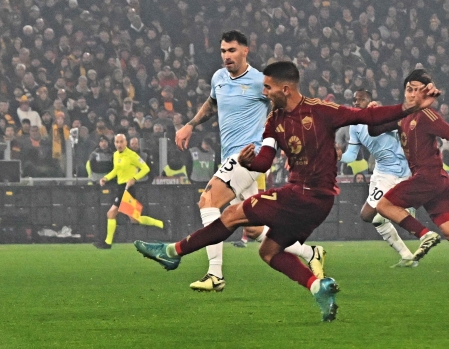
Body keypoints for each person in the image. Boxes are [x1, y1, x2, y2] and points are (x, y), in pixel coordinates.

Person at [135, 62, 440, 322]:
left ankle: (173, 252)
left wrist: (412, 106)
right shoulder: (274, 122)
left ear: (285, 89)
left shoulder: (322, 111)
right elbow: (265, 161)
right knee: (268, 252)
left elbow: (368, 117)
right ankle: (316, 287)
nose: (263, 92)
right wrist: (250, 160)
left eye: (267, 88)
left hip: (309, 195)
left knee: (231, 214)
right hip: (307, 200)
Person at [174, 30, 325, 292]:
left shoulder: (260, 82)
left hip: (248, 156)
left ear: (246, 51)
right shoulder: (219, 78)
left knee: (208, 201)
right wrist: (190, 125)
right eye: (223, 51)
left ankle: (214, 274)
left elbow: (288, 111)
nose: (226, 56)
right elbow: (212, 104)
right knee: (254, 230)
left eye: (232, 50)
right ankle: (311, 253)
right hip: (228, 158)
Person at [371, 69, 449, 263]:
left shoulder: (426, 114)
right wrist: (372, 114)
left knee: (384, 205)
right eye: (409, 89)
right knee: (447, 226)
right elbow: (374, 130)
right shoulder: (403, 115)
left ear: (424, 93)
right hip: (433, 181)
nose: (412, 94)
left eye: (417, 90)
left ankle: (424, 234)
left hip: (428, 176)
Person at [340, 89, 417, 267]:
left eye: (361, 99)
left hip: (400, 169)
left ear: (370, 101)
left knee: (372, 213)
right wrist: (337, 156)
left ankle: (405, 206)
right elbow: (351, 154)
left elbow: (401, 124)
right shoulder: (354, 126)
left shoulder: (382, 114)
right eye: (354, 100)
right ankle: (406, 256)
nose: (356, 102)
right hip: (382, 172)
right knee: (370, 216)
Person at [94, 134, 166, 249]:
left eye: (121, 142)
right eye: (117, 142)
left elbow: (145, 168)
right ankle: (161, 224)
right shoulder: (116, 155)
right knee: (134, 219)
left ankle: (107, 243)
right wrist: (105, 178)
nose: (119, 144)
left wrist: (134, 178)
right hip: (121, 187)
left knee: (111, 214)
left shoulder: (132, 155)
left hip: (128, 189)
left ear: (126, 142)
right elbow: (116, 170)